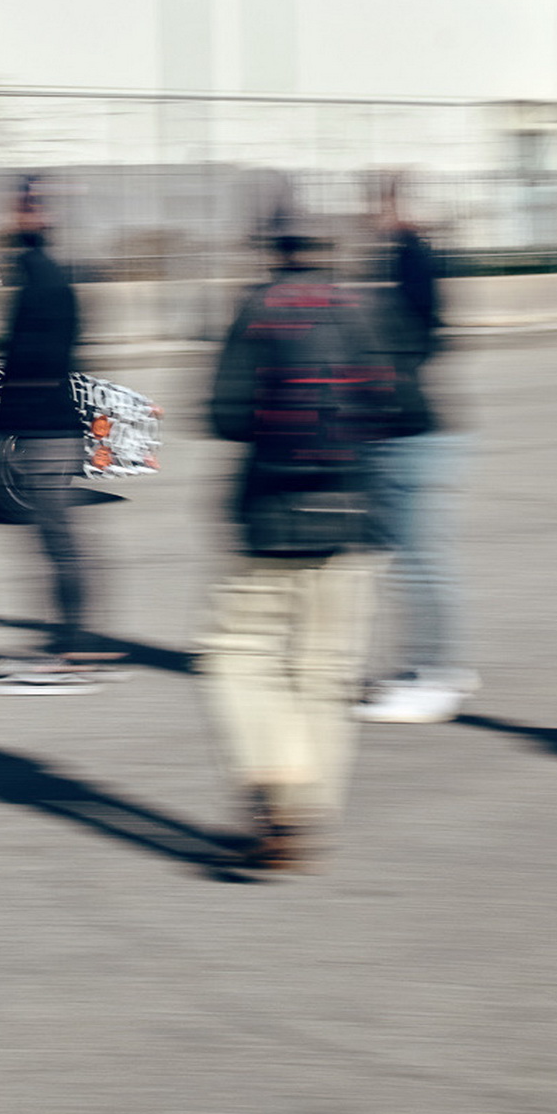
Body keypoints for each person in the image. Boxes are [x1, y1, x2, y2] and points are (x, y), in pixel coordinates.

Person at [201, 217, 394, 875]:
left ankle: (276, 777)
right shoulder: (362, 309)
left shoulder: (257, 310)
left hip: (271, 516)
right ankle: (308, 806)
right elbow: (399, 405)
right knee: (325, 670)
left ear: (273, 253)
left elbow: (225, 413)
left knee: (237, 652)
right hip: (353, 514)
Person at [357, 179, 479, 723]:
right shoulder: (407, 259)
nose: (369, 215)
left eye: (378, 204)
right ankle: (434, 667)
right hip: (411, 430)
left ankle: (435, 674)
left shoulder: (409, 259)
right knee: (414, 559)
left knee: (417, 563)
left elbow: (416, 334)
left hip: (411, 434)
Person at [0, 180, 108, 694]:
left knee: (60, 545)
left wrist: (9, 418)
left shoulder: (43, 280)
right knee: (58, 544)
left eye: (21, 207)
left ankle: (73, 655)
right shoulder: (42, 276)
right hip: (46, 427)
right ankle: (77, 648)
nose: (6, 217)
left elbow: (36, 362)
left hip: (43, 431)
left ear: (37, 216)